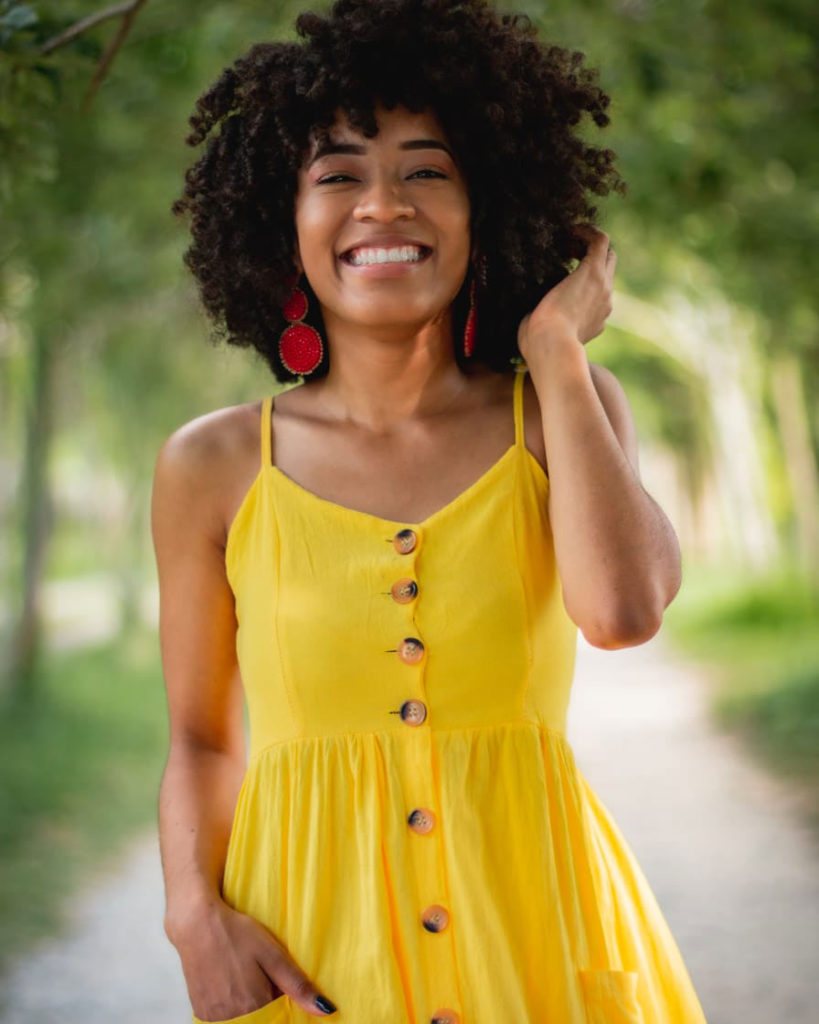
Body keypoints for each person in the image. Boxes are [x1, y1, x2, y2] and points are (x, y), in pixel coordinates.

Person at [151, 1, 707, 1022]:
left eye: (426, 170)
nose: (383, 204)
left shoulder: (561, 411)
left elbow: (622, 611)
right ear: (283, 222)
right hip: (312, 946)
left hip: (539, 935)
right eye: (338, 174)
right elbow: (199, 733)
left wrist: (555, 353)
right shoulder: (214, 462)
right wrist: (195, 918)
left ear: (485, 207)